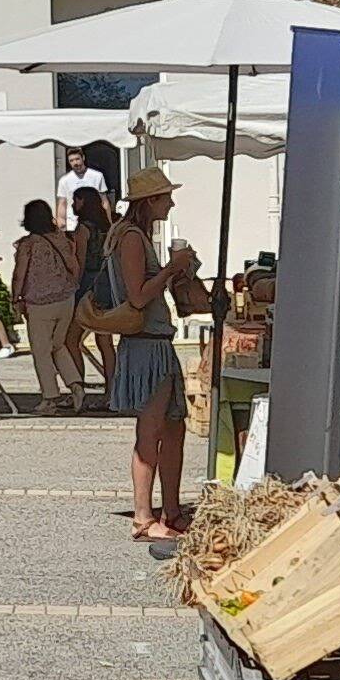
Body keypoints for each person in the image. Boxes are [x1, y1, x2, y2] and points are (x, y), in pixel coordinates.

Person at [110, 170, 211, 541]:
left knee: (173, 427)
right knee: (150, 430)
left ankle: (170, 509)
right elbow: (138, 295)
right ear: (150, 201)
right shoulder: (132, 238)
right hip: (145, 345)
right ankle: (143, 516)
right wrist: (172, 268)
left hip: (154, 342)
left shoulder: (134, 236)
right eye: (166, 196)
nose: (171, 202)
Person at [13, 197, 85, 412]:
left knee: (41, 351)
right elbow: (74, 265)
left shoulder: (28, 244)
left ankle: (50, 397)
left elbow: (20, 274)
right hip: (65, 298)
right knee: (58, 344)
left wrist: (16, 297)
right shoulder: (62, 239)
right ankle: (76, 384)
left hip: (39, 302)